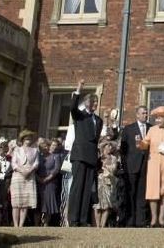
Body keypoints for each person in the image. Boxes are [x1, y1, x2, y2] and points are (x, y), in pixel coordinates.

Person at [67, 79, 102, 227]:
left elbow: (97, 139)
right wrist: (78, 89)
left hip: (91, 157)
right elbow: (73, 107)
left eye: (96, 102)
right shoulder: (80, 115)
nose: (95, 104)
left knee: (87, 189)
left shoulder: (98, 120)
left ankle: (82, 219)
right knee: (77, 187)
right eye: (93, 102)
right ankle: (73, 219)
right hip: (80, 155)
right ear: (87, 103)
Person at [120, 105, 151, 227]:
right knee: (131, 193)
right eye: (143, 113)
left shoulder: (151, 128)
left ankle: (141, 221)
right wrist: (125, 165)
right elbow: (123, 150)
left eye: (146, 113)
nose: (145, 115)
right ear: (137, 115)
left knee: (142, 194)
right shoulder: (129, 129)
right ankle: (130, 221)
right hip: (132, 165)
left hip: (146, 165)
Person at [10, 130, 39, 227]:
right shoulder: (17, 150)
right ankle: (15, 224)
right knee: (16, 202)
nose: (28, 141)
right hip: (18, 175)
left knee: (25, 202)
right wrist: (21, 170)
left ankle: (21, 224)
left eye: (30, 139)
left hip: (30, 176)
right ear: (22, 140)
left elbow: (36, 163)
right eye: (26, 139)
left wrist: (30, 170)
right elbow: (13, 163)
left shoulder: (35, 150)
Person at [37, 138, 64, 227]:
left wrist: (46, 179)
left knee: (48, 204)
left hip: (50, 183)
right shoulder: (39, 157)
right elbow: (35, 169)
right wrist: (39, 179)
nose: (46, 148)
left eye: (47, 146)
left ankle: (46, 223)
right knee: (39, 203)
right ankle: (37, 223)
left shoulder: (55, 156)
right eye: (44, 146)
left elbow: (56, 170)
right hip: (39, 182)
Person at [94, 141, 118, 228]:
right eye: (107, 147)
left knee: (107, 205)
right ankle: (97, 225)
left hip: (109, 182)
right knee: (97, 205)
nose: (109, 149)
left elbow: (114, 169)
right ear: (103, 148)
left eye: (110, 147)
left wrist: (105, 166)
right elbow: (95, 168)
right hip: (99, 181)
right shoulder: (99, 157)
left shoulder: (113, 158)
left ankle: (103, 225)